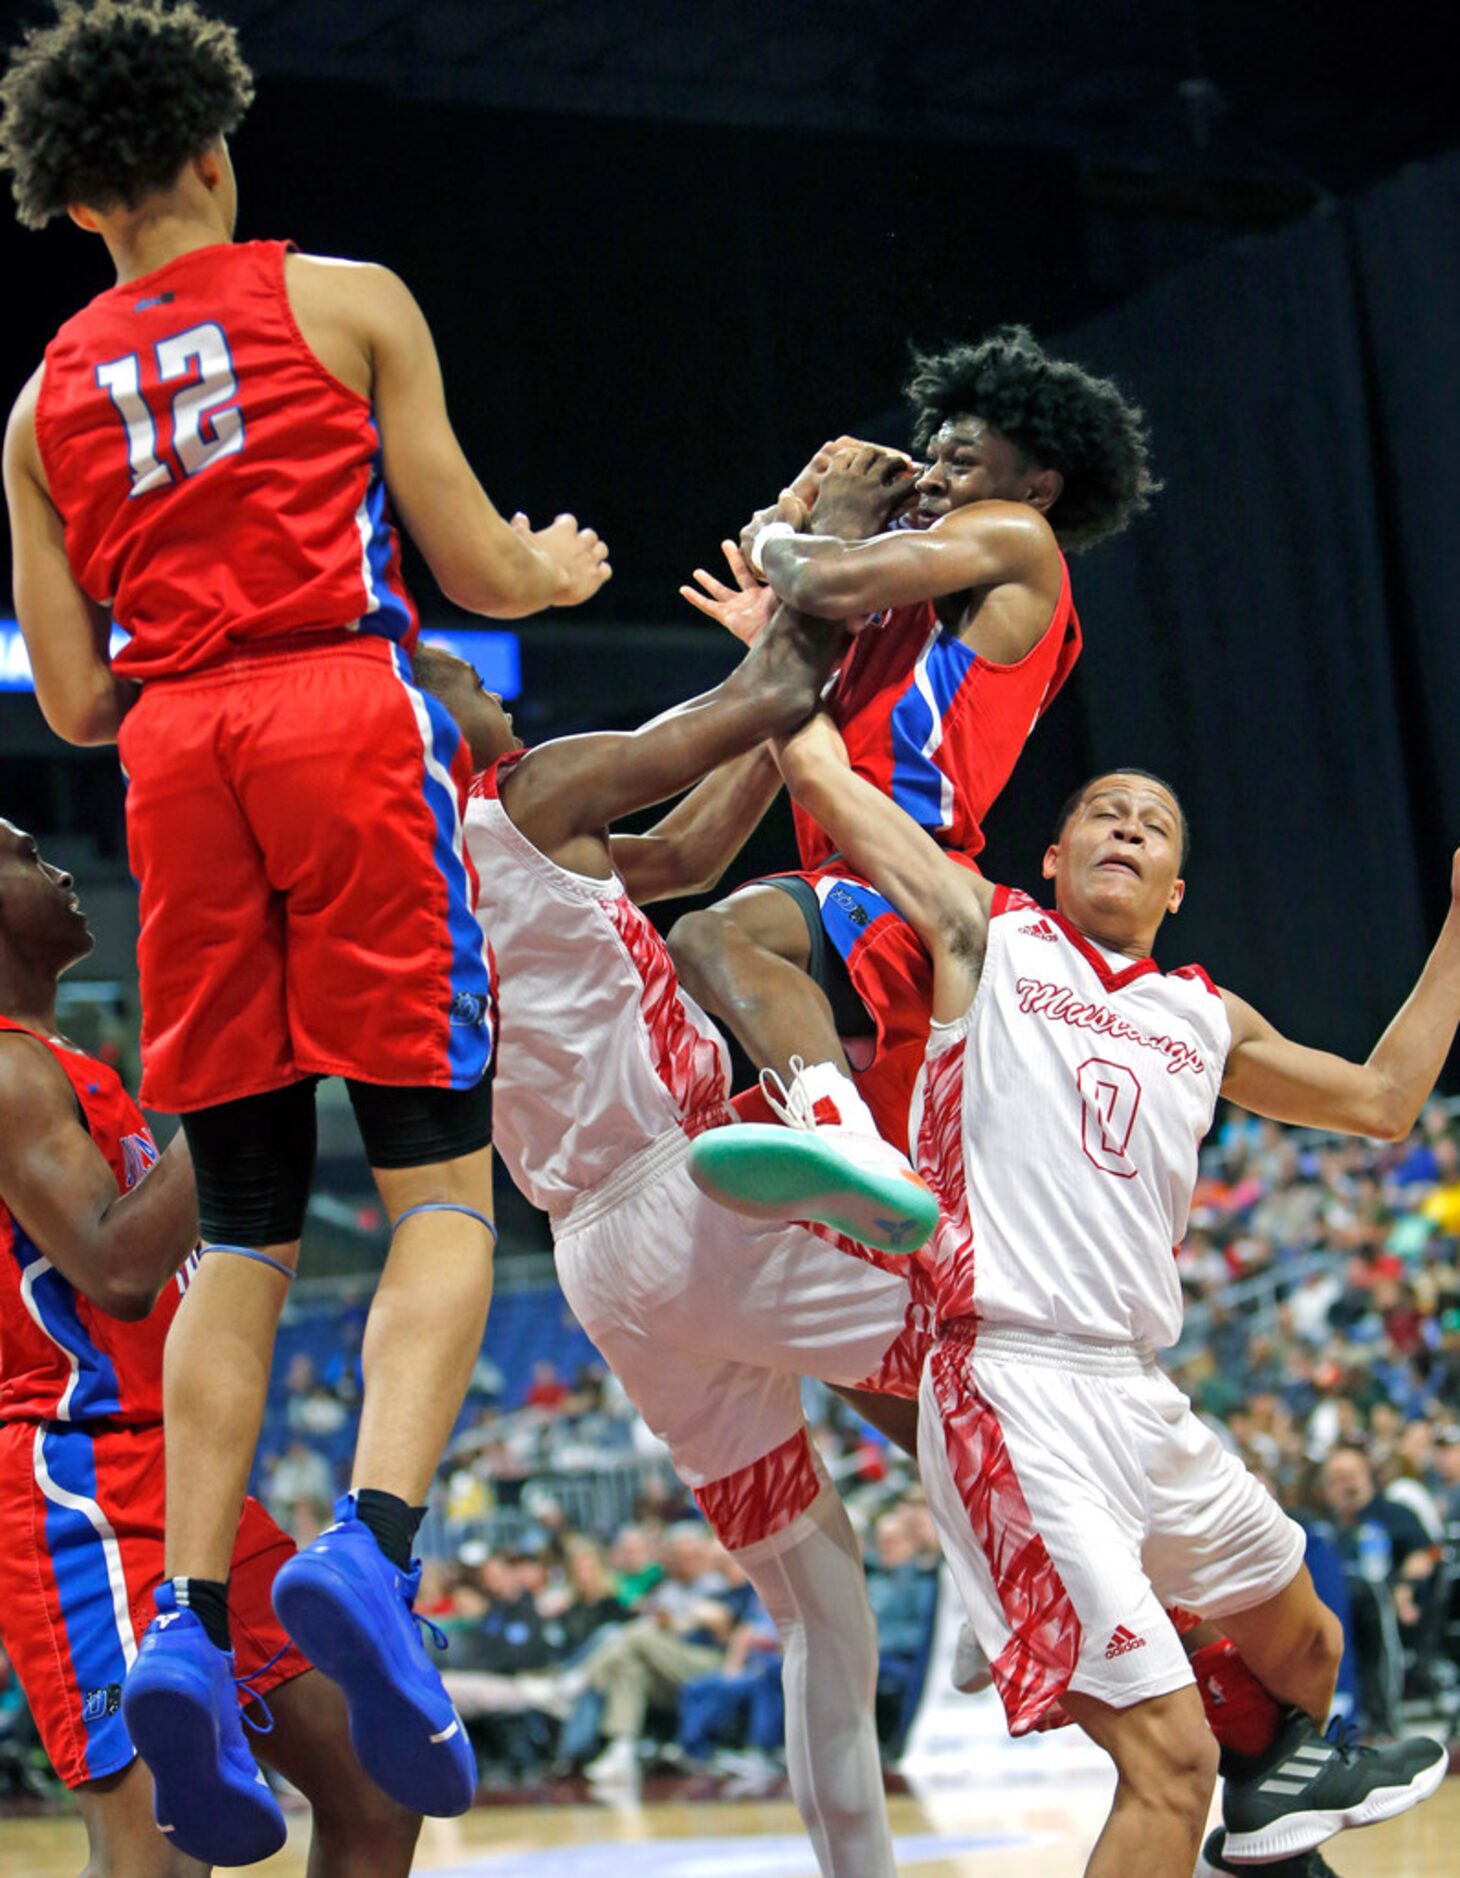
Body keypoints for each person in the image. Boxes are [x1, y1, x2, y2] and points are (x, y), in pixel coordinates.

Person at [0, 2, 609, 1849]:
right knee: (438, 1181)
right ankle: (377, 1537)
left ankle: (186, 1628)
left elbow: (79, 709)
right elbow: (480, 564)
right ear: (212, 152)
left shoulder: (34, 407)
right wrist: (555, 572)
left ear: (74, 207)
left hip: (177, 760)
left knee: (246, 1217)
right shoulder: (343, 299)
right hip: (341, 713)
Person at [749, 731, 1455, 1877]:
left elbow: (1380, 1103)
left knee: (1304, 1645)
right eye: (1103, 812)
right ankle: (1250, 1823)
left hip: (1137, 1393)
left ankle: (1272, 1829)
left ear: (1174, 892)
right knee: (1168, 1766)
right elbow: (832, 787)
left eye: (1152, 823)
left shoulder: (1203, 1016)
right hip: (1008, 1386)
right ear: (1055, 851)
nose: (1125, 825)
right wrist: (781, 666)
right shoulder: (992, 937)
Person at [414, 629, 939, 1877]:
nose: (488, 684)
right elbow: (758, 698)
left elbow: (693, 848)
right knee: (977, 1352)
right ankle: (996, 1593)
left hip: (597, 1266)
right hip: (694, 1187)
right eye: (457, 676)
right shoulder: (526, 791)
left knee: (817, 1605)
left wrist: (776, 698)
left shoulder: (405, 889)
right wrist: (818, 581)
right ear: (418, 728)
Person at [0, 820, 420, 1873]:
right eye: (17, 853)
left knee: (378, 1787)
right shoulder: (3, 1074)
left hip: (188, 1479)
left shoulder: (65, 1067)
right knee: (161, 1847)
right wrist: (259, 1071)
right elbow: (119, 1271)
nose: (55, 866)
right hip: (80, 1478)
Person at [670, 328, 1155, 1179]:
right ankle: (846, 1127)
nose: (931, 476)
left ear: (1036, 486)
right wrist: (791, 534)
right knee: (697, 1151)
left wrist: (793, 526)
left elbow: (815, 576)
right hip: (845, 883)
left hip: (909, 876)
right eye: (932, 455)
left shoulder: (1016, 539)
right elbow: (688, 847)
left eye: (961, 460)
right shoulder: (890, 611)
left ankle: (843, 1130)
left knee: (715, 935)